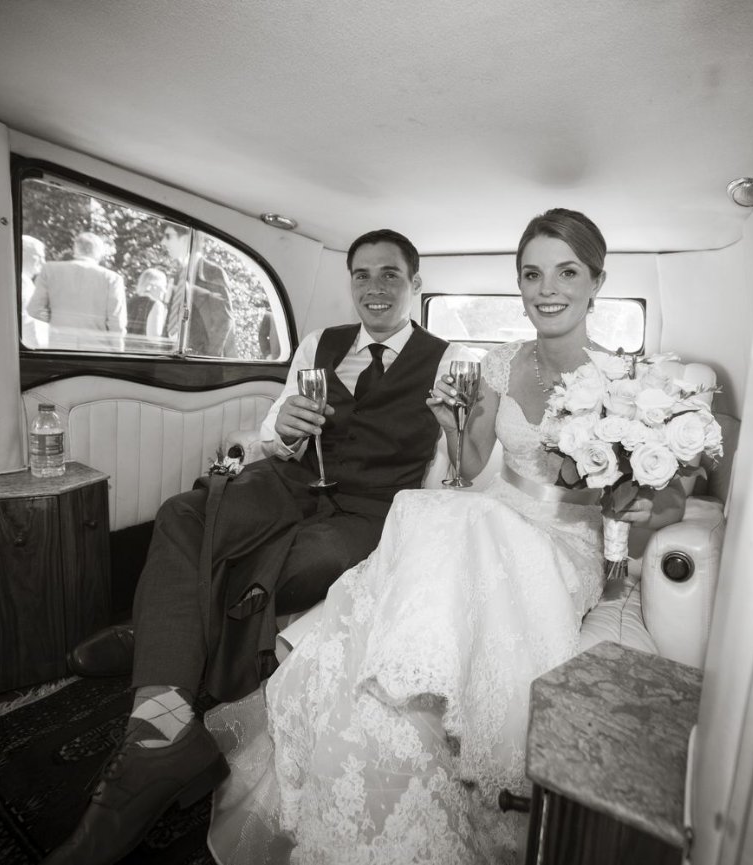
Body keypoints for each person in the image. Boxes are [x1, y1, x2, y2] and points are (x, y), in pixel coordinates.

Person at [205, 209, 691, 864]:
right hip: (493, 513)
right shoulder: (498, 364)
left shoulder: (627, 381)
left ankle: (412, 677)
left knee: (457, 516)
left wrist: (644, 505)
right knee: (429, 507)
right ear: (520, 283)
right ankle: (399, 682)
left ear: (597, 281)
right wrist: (449, 425)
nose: (547, 289)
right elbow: (471, 465)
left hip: (563, 535)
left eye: (567, 272)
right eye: (532, 274)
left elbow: (669, 495)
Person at [43, 229, 476, 865]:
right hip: (293, 480)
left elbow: (458, 463)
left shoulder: (448, 358)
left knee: (302, 562)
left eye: (390, 274)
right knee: (184, 512)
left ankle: (156, 642)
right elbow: (276, 430)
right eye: (361, 275)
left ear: (415, 282)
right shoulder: (320, 344)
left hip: (370, 508)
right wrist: (288, 428)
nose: (375, 288)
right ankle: (161, 723)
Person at [26, 232, 127, 352]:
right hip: (97, 350)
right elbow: (116, 322)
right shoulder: (112, 279)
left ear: (75, 249)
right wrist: (118, 353)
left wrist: (55, 318)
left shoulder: (50, 270)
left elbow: (33, 310)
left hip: (59, 347)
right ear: (99, 253)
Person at [162, 224, 235, 357]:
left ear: (185, 239)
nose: (163, 242)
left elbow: (223, 321)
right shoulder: (178, 275)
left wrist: (206, 359)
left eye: (168, 236)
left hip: (200, 361)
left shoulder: (211, 272)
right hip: (178, 358)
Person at [126, 266, 169, 341]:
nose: (165, 291)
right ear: (154, 286)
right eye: (163, 286)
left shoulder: (129, 301)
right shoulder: (156, 305)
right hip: (142, 347)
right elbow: (154, 337)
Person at [19, 235, 47, 348]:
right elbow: (27, 326)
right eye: (39, 256)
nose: (43, 262)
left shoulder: (23, 281)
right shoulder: (23, 284)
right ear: (22, 253)